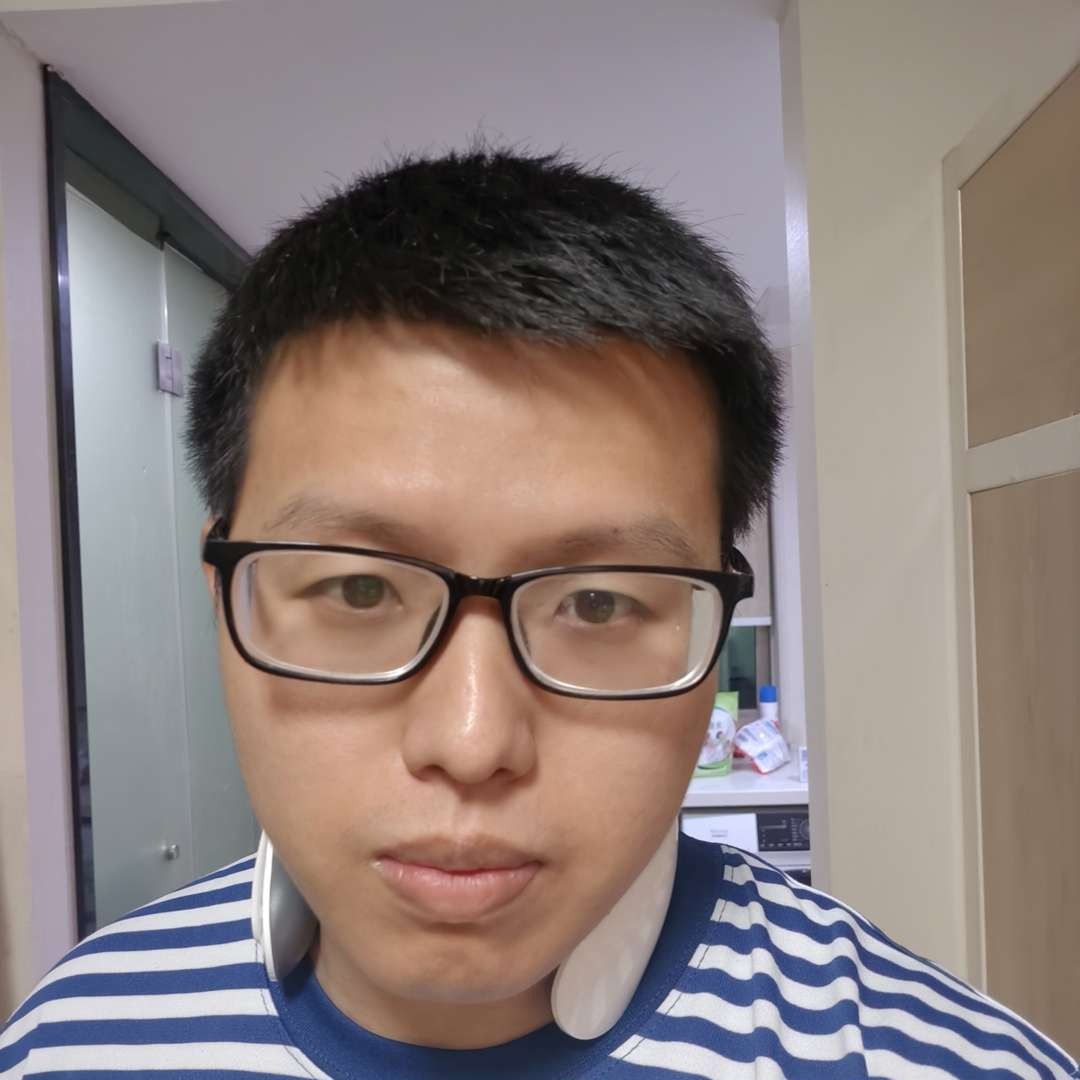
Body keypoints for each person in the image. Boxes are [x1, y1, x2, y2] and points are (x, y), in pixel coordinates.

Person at [1, 148, 1075, 1080]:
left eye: (598, 601)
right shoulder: (66, 1044)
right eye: (360, 590)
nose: (472, 744)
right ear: (225, 604)